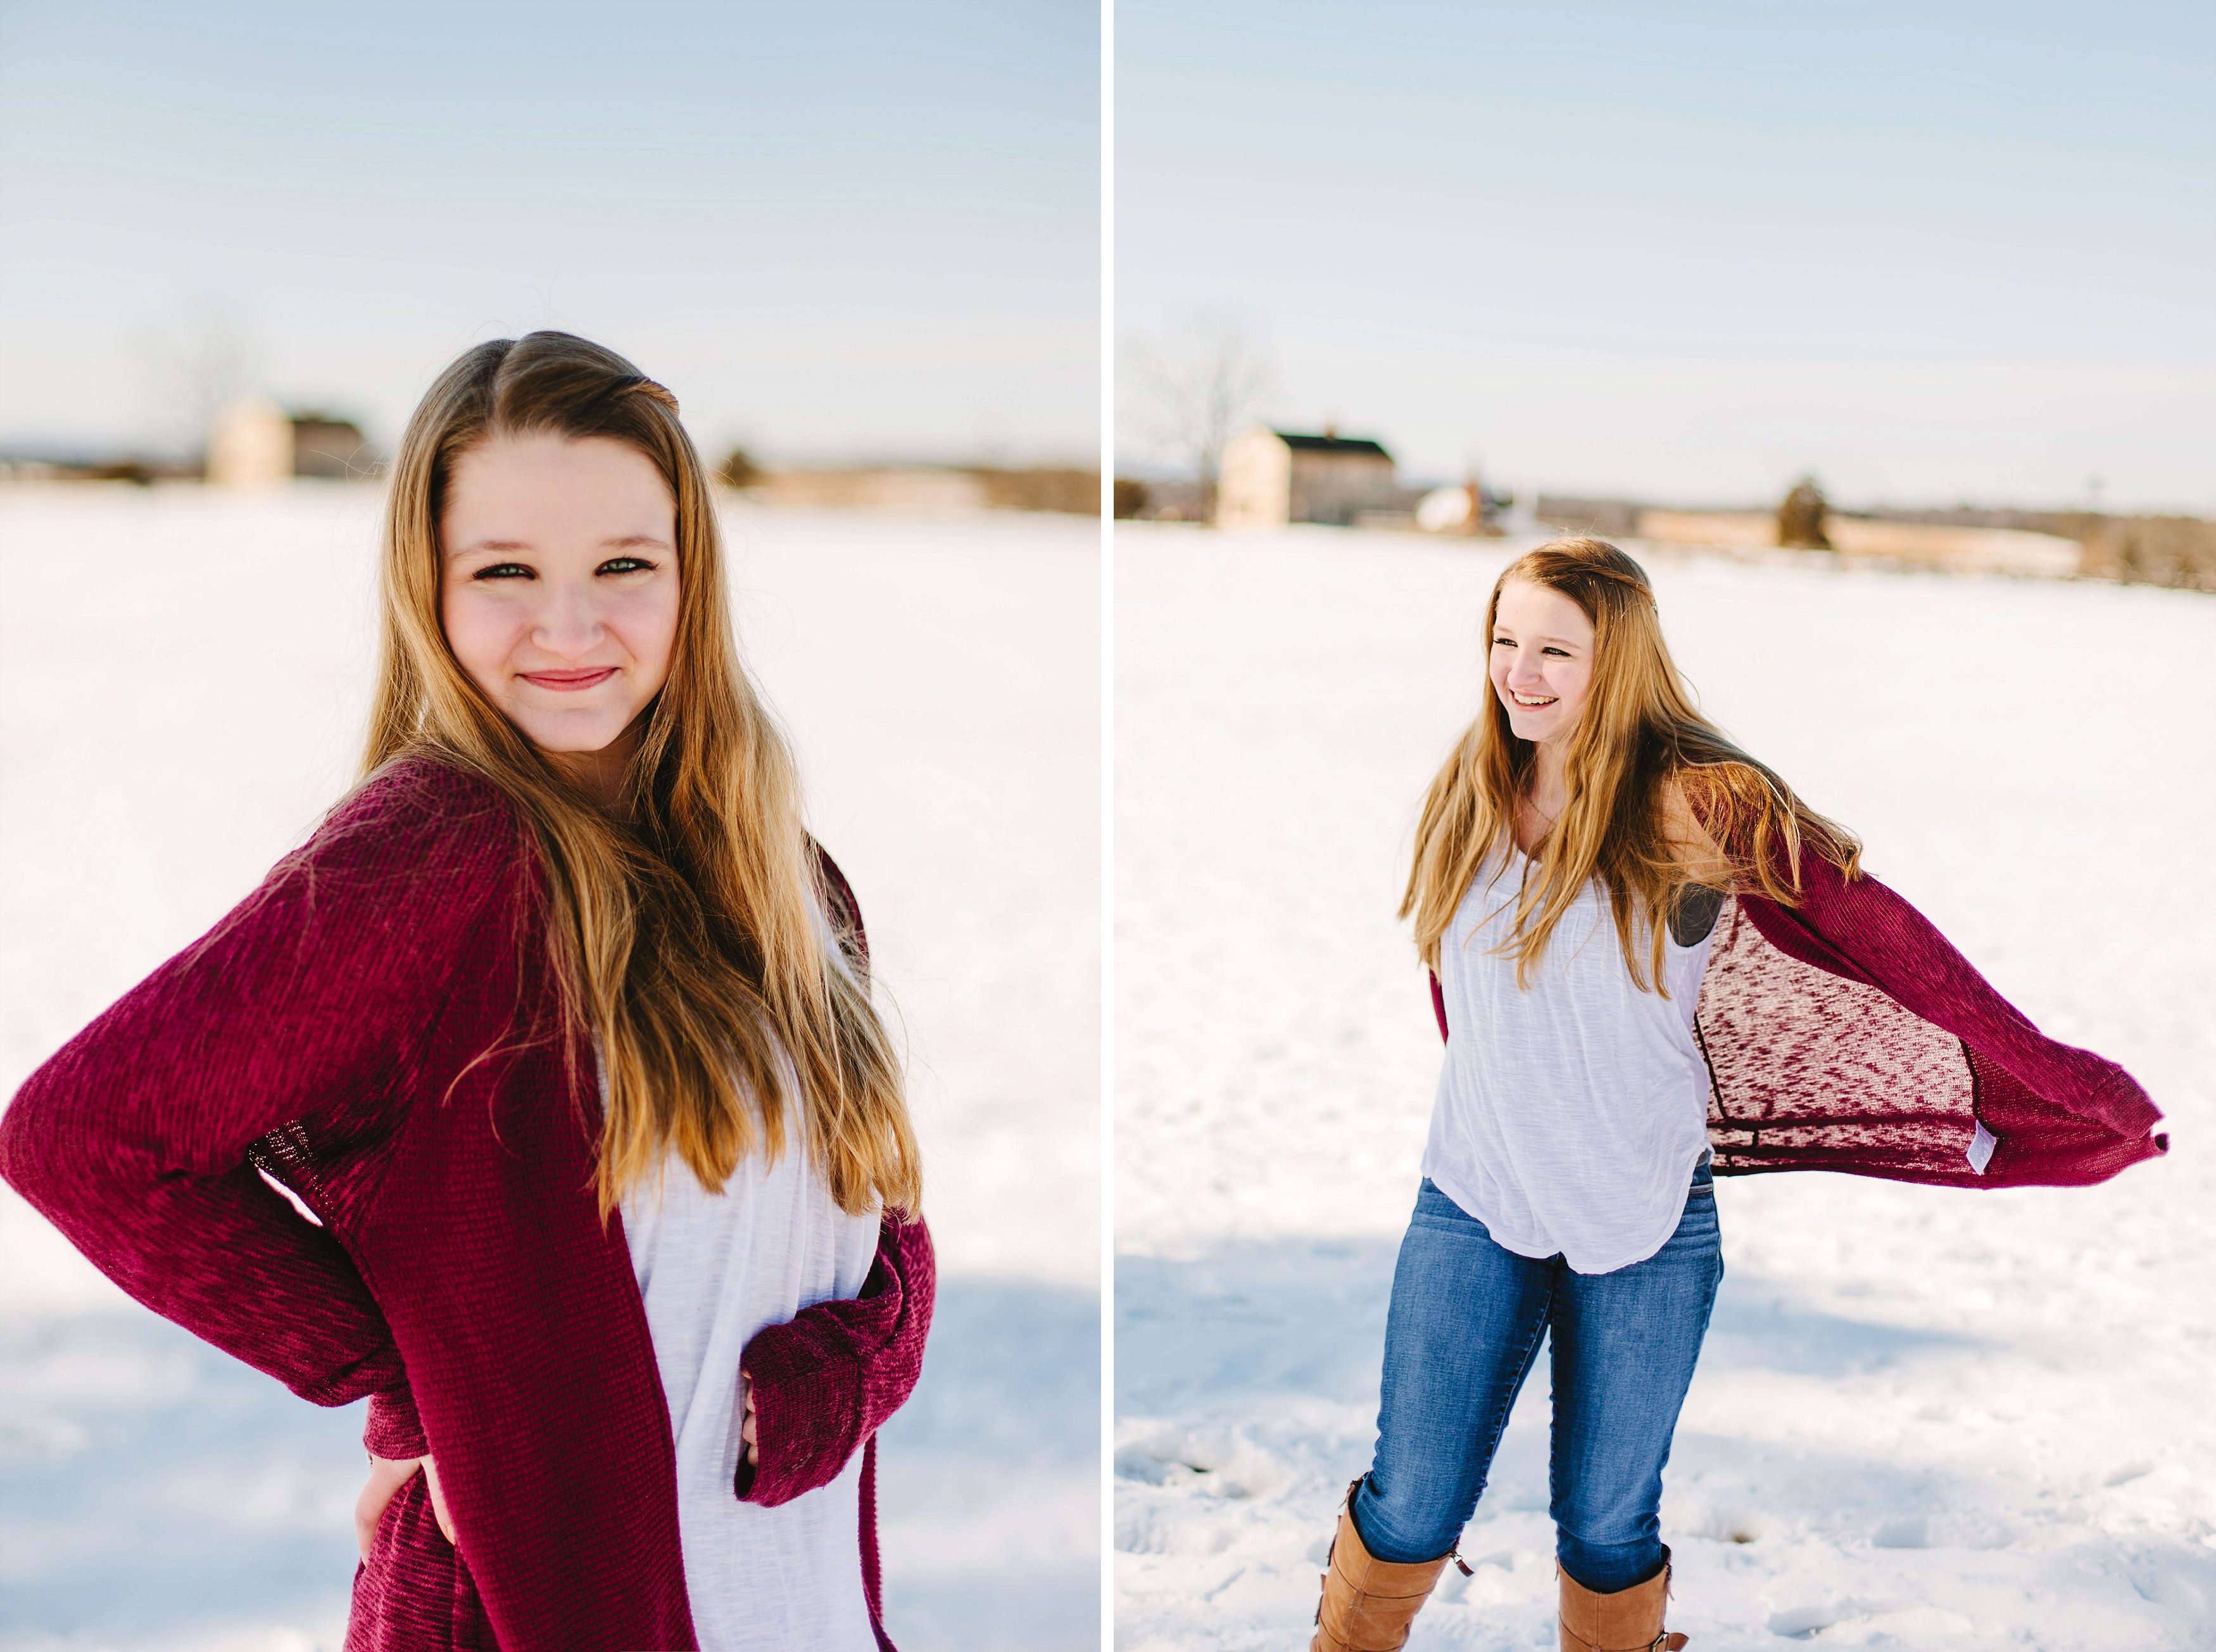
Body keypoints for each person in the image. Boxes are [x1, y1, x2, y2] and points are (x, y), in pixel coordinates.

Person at [0, 332, 933, 1652]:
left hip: (800, 1604)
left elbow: (880, 1214)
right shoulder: (441, 856)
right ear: (427, 593)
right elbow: (86, 1139)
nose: (569, 626)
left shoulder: (787, 876)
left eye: (623, 565)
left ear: (691, 582)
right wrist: (419, 1388)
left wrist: (845, 1369)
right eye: (505, 573)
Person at [1308, 538, 2165, 1652]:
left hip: (1647, 1210)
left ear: (1616, 660)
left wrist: (2047, 1081)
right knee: (1413, 1496)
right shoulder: (1473, 788)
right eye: (1505, 641)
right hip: (1473, 1194)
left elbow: (1874, 930)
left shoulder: (1697, 804)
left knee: (1606, 1524)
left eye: (1555, 650)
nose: (1520, 672)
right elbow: (1462, 994)